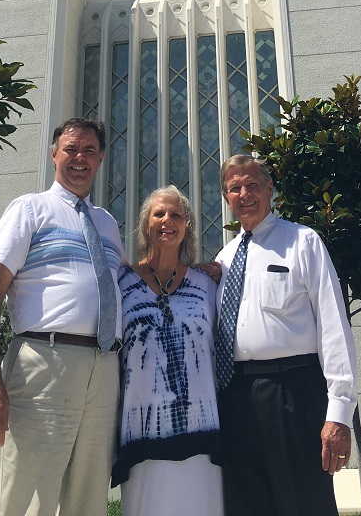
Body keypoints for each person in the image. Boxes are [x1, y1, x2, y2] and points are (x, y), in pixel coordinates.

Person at [0, 117, 124, 516]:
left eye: (89, 150)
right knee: (28, 494)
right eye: (71, 149)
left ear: (101, 158)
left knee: (89, 496)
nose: (79, 158)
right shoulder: (29, 209)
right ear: (54, 154)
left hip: (105, 367)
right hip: (44, 360)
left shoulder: (108, 224)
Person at [215, 154, 357, 516]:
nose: (244, 194)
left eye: (252, 185)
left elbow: (333, 326)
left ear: (269, 190)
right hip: (235, 398)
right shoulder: (225, 257)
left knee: (303, 502)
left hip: (293, 392)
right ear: (227, 198)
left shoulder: (303, 241)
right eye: (235, 189)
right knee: (245, 504)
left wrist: (339, 412)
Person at [113, 185, 223, 516]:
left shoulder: (207, 284)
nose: (167, 220)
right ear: (146, 225)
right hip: (141, 429)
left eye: (176, 214)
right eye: (158, 213)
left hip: (201, 431)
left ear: (187, 226)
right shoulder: (123, 283)